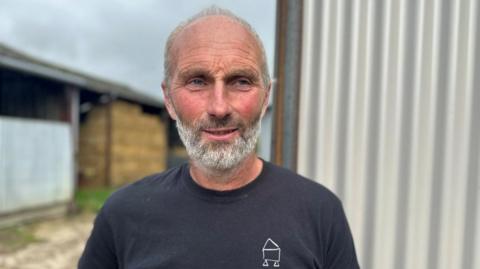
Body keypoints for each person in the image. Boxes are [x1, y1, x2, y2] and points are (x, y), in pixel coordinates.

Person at [78, 6, 359, 269]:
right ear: (169, 99)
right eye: (197, 81)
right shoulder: (122, 215)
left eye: (241, 81)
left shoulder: (320, 213)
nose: (219, 107)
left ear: (265, 99)